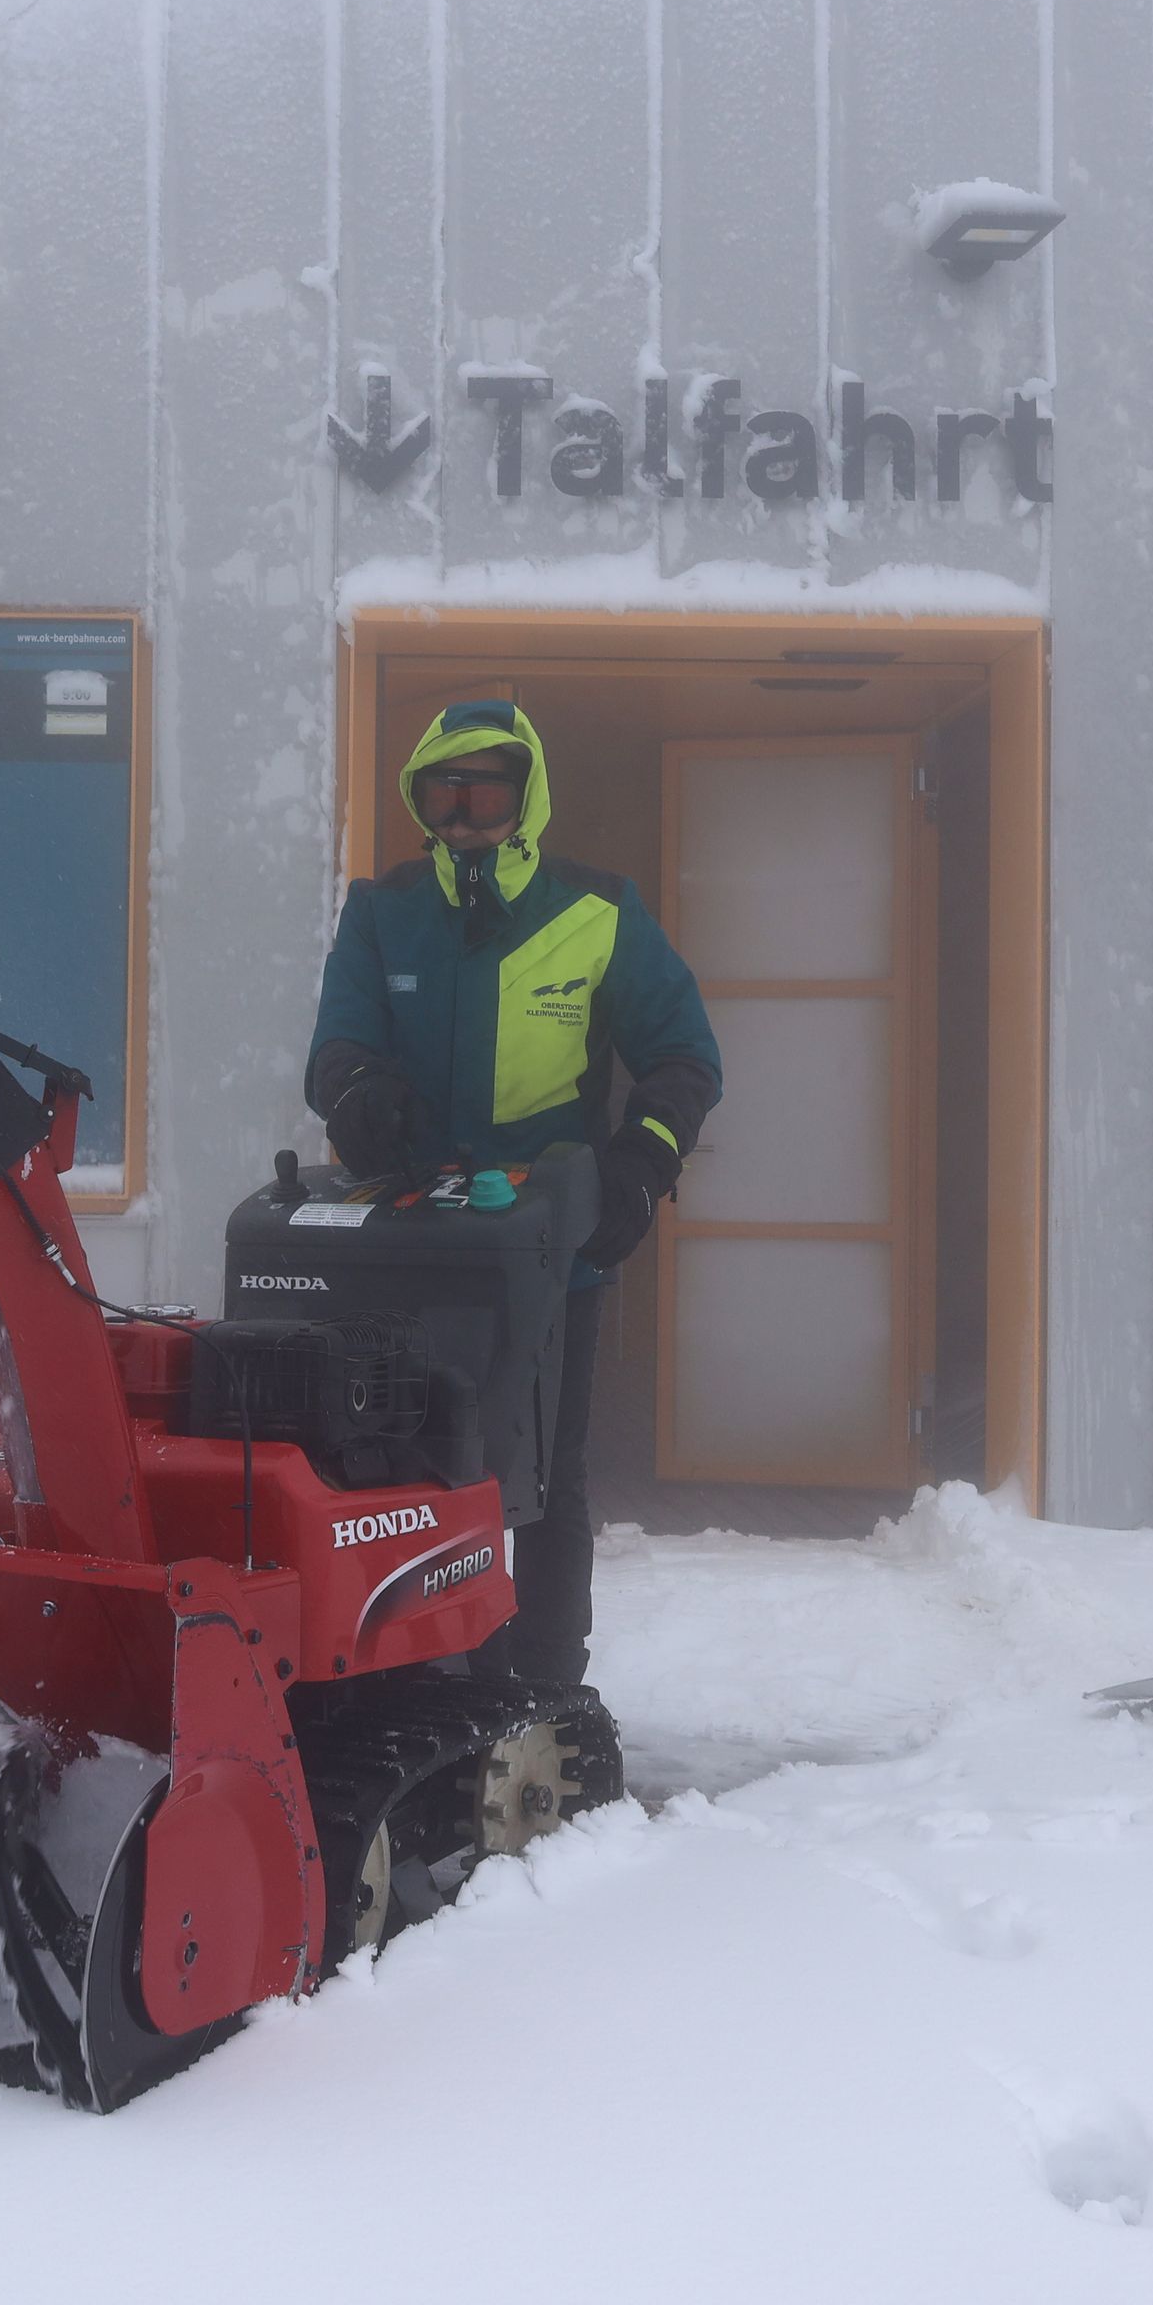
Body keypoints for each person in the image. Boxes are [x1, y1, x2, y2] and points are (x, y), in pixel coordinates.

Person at [305, 700, 722, 1684]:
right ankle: (403, 1673)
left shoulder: (596, 912)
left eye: (483, 795)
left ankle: (543, 1690)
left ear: (525, 799)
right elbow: (337, 1047)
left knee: (539, 1476)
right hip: (400, 1248)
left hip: (545, 1255)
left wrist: (641, 1162)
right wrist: (359, 1094)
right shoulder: (383, 912)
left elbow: (683, 1056)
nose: (460, 818)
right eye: (440, 795)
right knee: (389, 1465)